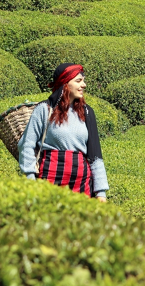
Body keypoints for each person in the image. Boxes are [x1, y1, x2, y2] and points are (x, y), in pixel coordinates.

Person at [18, 63, 109, 201]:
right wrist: (30, 178)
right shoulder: (44, 109)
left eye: (83, 80)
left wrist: (101, 192)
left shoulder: (87, 112)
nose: (83, 85)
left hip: (81, 184)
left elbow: (95, 153)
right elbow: (26, 145)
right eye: (78, 81)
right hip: (49, 178)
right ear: (65, 84)